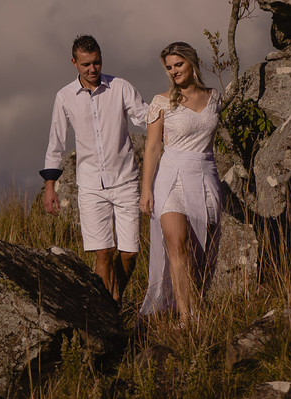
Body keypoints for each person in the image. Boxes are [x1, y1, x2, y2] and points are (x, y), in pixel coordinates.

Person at [42, 34, 148, 303]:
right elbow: (56, 142)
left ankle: (115, 297)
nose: (92, 69)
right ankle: (107, 307)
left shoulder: (120, 87)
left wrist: (173, 110)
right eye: (86, 64)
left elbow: (145, 117)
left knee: (130, 253)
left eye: (97, 62)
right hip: (90, 185)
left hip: (125, 180)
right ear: (74, 63)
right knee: (103, 252)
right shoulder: (64, 96)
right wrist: (50, 186)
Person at [138, 41, 222, 320]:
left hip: (204, 175)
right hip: (170, 178)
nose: (173, 71)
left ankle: (197, 303)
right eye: (169, 67)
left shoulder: (215, 97)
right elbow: (152, 148)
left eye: (178, 64)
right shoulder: (162, 102)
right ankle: (187, 316)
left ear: (192, 62)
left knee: (200, 250)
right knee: (177, 243)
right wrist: (146, 190)